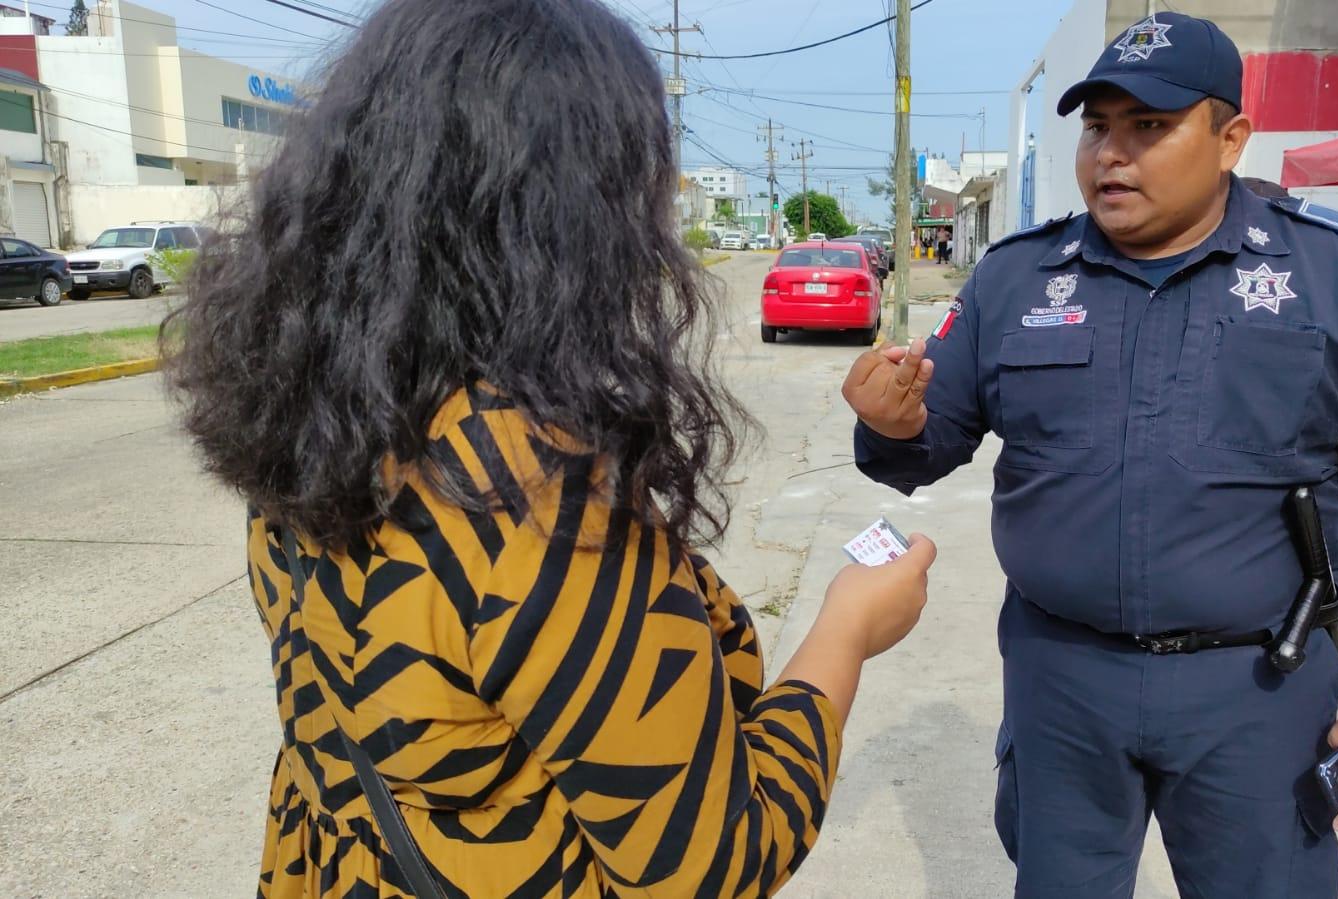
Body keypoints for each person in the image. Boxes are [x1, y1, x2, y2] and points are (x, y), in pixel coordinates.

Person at [164, 1, 936, 896]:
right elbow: (712, 861)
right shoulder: (523, 494)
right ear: (574, 212)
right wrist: (845, 628)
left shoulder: (319, 409)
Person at [841, 12, 1338, 898]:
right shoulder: (1017, 278)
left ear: (1229, 139)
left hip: (1255, 688)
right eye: (1097, 126)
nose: (1110, 154)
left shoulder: (1328, 275)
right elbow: (923, 445)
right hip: (1062, 683)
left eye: (1149, 126)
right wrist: (890, 423)